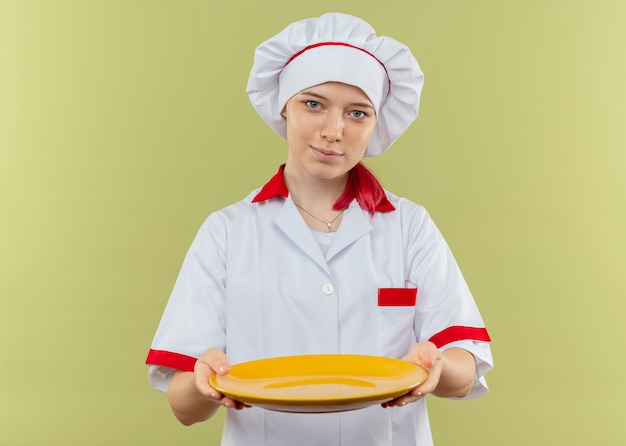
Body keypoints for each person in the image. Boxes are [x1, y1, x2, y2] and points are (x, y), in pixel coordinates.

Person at [146, 12, 493, 446]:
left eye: (357, 113)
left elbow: (463, 367)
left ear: (376, 123)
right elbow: (183, 406)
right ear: (283, 105)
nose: (333, 131)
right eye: (313, 104)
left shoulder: (409, 226)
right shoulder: (227, 232)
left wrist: (438, 367)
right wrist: (203, 382)